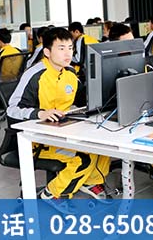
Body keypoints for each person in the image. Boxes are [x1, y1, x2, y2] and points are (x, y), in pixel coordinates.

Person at [7, 28, 110, 212]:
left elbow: (83, 100)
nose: (68, 54)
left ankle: (91, 181)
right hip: (38, 139)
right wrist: (39, 113)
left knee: (103, 148)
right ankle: (53, 194)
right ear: (47, 52)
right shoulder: (35, 75)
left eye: (70, 48)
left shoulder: (70, 73)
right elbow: (12, 109)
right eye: (61, 48)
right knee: (83, 159)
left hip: (63, 130)